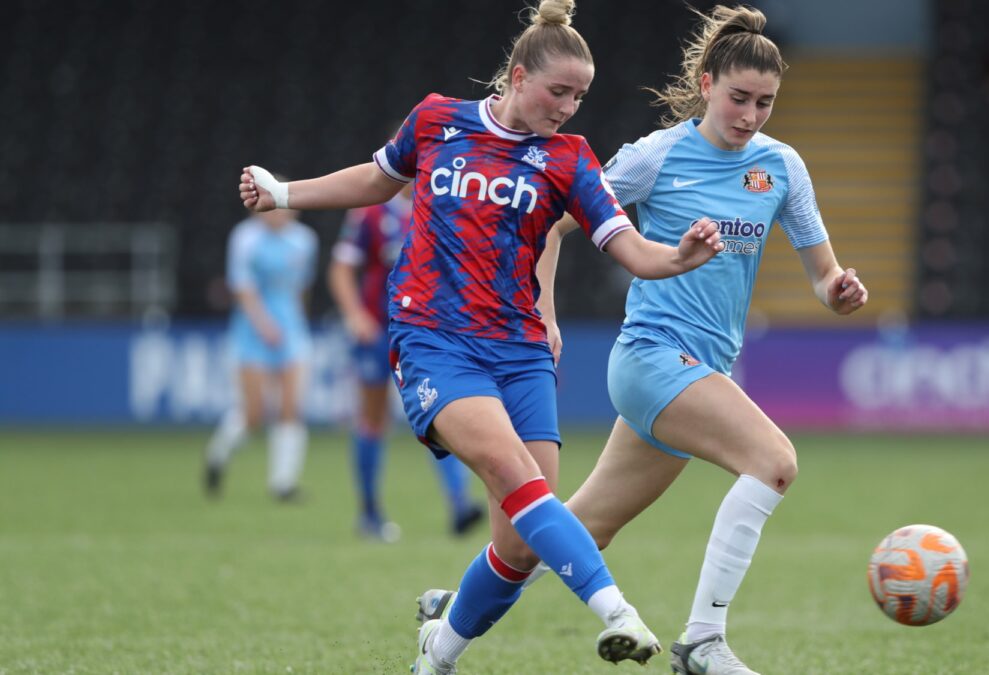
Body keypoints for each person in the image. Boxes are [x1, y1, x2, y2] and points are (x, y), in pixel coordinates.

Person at [238, 1, 725, 671]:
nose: (568, 107)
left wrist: (680, 256)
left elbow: (632, 250)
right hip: (434, 338)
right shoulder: (438, 119)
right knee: (513, 472)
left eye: (580, 96)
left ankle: (437, 652)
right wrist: (284, 193)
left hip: (520, 351)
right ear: (518, 76)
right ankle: (619, 611)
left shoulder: (569, 159)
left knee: (519, 545)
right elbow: (377, 180)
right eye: (559, 90)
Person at [418, 6, 867, 674]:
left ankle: (448, 620)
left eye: (765, 103)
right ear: (708, 83)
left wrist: (838, 290)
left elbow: (823, 272)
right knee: (774, 461)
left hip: (701, 367)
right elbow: (551, 222)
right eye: (739, 97)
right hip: (651, 359)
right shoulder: (658, 156)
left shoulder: (782, 167)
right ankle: (703, 640)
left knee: (573, 529)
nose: (750, 115)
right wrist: (543, 308)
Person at [329, 188, 484, 541]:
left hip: (424, 330)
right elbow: (340, 268)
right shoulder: (369, 214)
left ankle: (460, 505)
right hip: (378, 329)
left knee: (441, 412)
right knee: (374, 417)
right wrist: (354, 315)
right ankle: (369, 513)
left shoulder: (442, 207)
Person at [204, 199, 318, 502]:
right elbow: (243, 289)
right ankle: (218, 454)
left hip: (291, 330)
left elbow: (300, 288)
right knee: (254, 413)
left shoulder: (304, 240)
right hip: (251, 333)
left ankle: (284, 484)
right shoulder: (245, 238)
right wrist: (264, 326)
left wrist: (294, 324)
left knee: (291, 407)